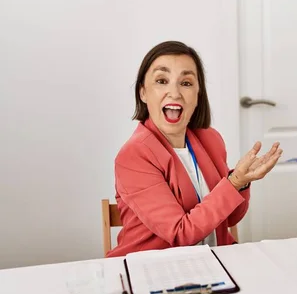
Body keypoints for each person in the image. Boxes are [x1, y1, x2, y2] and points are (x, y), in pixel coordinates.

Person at [106, 41, 282, 257]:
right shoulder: (133, 157)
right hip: (155, 270)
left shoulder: (210, 139)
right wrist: (233, 182)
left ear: (198, 94)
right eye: (162, 81)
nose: (175, 92)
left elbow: (231, 217)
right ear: (143, 92)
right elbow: (181, 234)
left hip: (214, 264)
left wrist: (242, 181)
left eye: (186, 83)